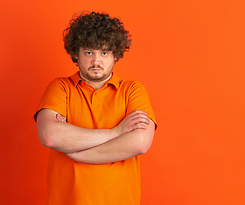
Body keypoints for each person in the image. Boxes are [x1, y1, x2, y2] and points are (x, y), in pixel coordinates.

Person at [34, 12, 156, 205]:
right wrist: (118, 132)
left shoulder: (132, 90)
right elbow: (50, 135)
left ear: (115, 55)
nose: (96, 61)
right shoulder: (60, 88)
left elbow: (140, 142)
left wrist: (77, 153)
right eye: (89, 52)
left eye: (104, 53)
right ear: (76, 53)